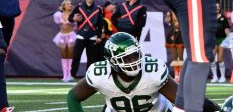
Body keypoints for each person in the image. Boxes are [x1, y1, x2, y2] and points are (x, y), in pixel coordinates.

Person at [67, 32, 220, 112]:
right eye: (126, 58)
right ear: (112, 61)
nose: (133, 61)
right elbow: (73, 97)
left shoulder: (152, 73)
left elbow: (184, 99)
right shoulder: (99, 74)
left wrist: (214, 108)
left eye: (135, 55)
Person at [69, 0, 104, 78]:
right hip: (81, 36)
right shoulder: (79, 7)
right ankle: (72, 75)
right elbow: (70, 18)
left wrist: (99, 36)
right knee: (76, 56)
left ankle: (89, 76)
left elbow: (100, 24)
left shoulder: (98, 8)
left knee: (91, 58)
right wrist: (74, 19)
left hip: (92, 36)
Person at [53, 0, 76, 82]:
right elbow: (59, 23)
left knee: (70, 55)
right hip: (62, 35)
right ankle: (64, 75)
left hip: (70, 35)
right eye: (67, 4)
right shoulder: (59, 15)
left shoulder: (74, 15)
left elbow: (75, 25)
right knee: (63, 55)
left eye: (70, 4)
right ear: (64, 6)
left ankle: (69, 75)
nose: (70, 5)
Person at [211, 3, 230, 83]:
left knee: (220, 59)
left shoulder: (223, 18)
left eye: (218, 7)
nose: (217, 8)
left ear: (220, 8)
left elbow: (226, 29)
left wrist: (229, 39)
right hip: (213, 40)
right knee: (212, 59)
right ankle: (215, 76)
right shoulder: (210, 18)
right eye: (215, 7)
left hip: (222, 39)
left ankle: (222, 76)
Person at [165, 10, 184, 82]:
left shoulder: (180, 11)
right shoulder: (170, 12)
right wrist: (168, 17)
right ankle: (176, 75)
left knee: (180, 56)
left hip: (180, 34)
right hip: (172, 34)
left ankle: (181, 74)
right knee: (174, 56)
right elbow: (166, 21)